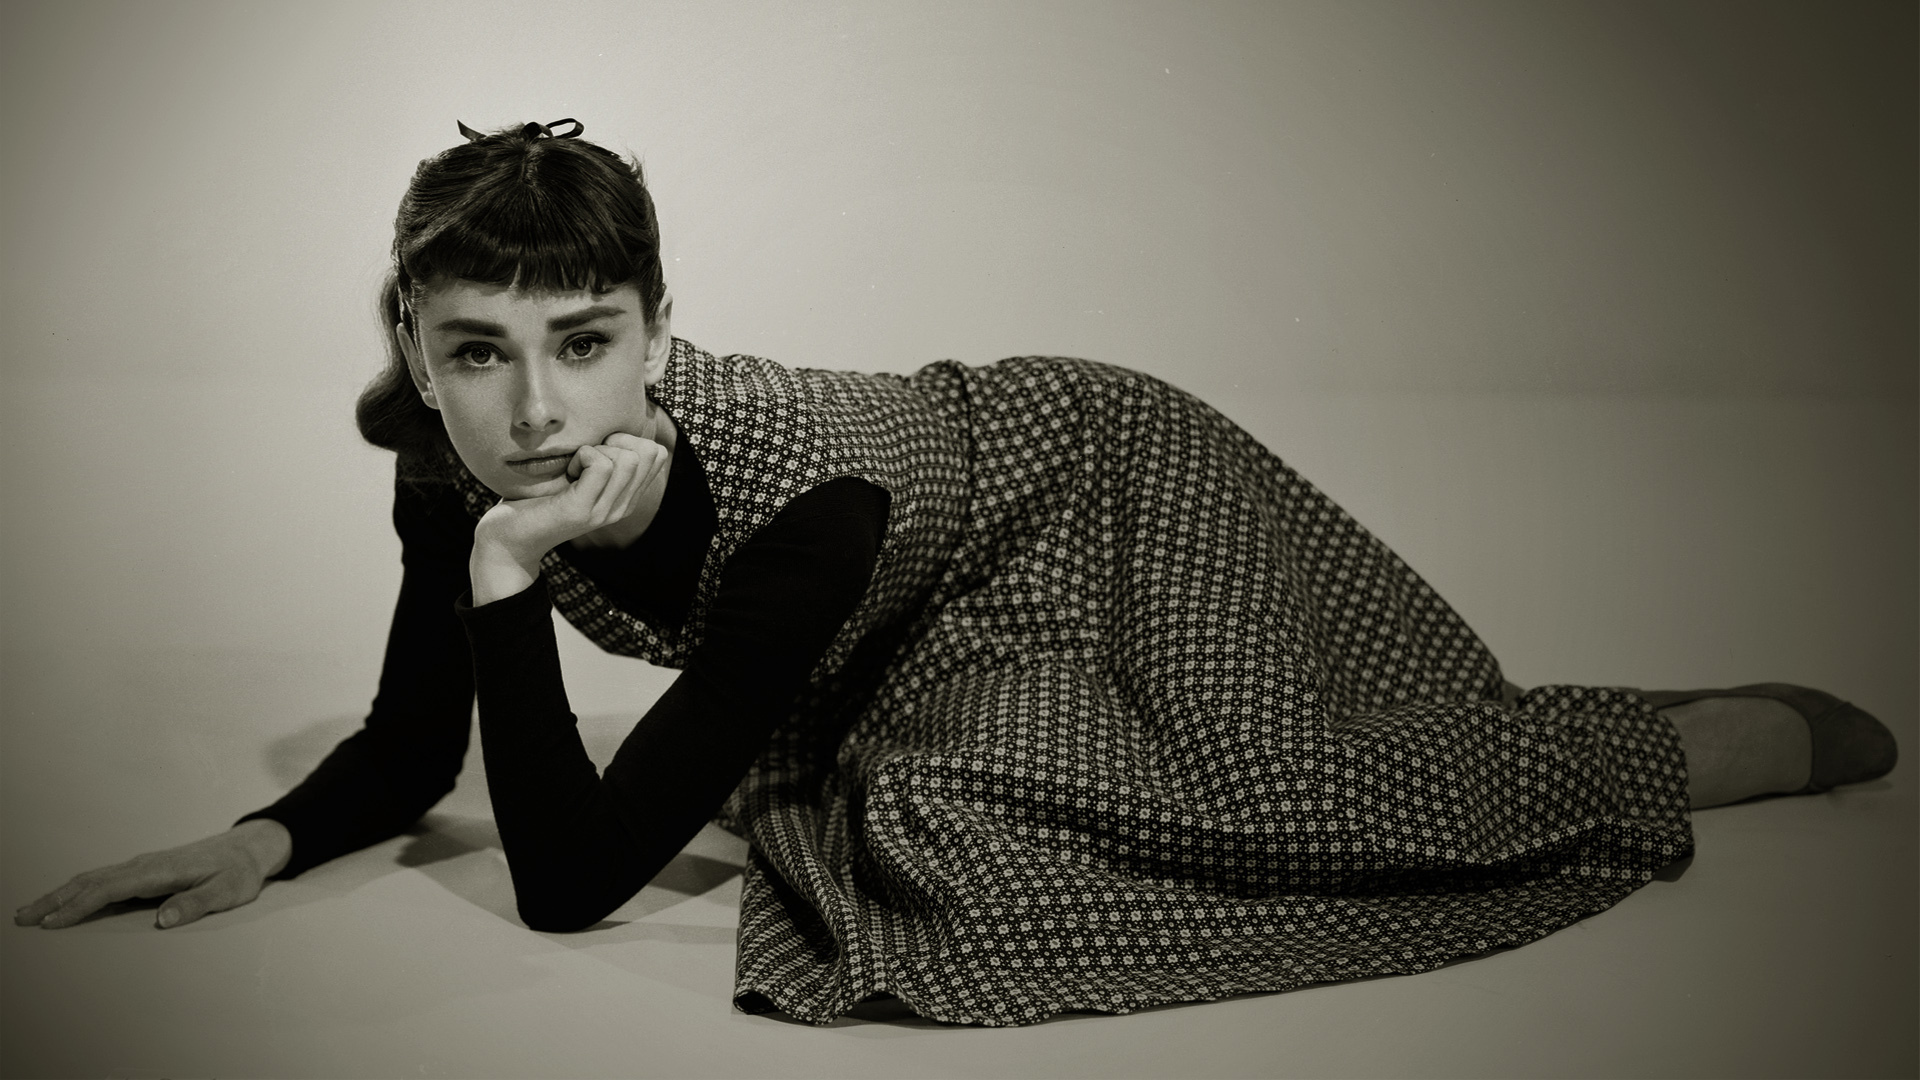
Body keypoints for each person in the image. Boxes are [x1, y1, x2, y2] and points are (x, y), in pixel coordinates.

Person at [13, 120, 1897, 1027]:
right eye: (478, 349)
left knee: (1277, 791)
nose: (533, 408)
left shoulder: (798, 503)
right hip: (902, 629)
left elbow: (573, 886)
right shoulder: (458, 472)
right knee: (957, 858)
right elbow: (430, 751)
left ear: (663, 335)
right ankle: (1496, 726)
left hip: (1089, 487)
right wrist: (269, 836)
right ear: (417, 352)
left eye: (583, 340)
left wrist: (516, 581)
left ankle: (1665, 743)